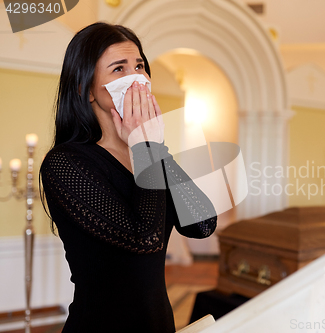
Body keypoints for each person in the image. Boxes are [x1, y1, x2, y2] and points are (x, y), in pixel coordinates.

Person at [40, 22, 217, 333]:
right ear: (85, 89)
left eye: (139, 66)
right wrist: (146, 146)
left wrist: (153, 148)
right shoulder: (65, 162)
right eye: (119, 69)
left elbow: (203, 224)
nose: (136, 78)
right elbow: (143, 239)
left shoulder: (147, 151)